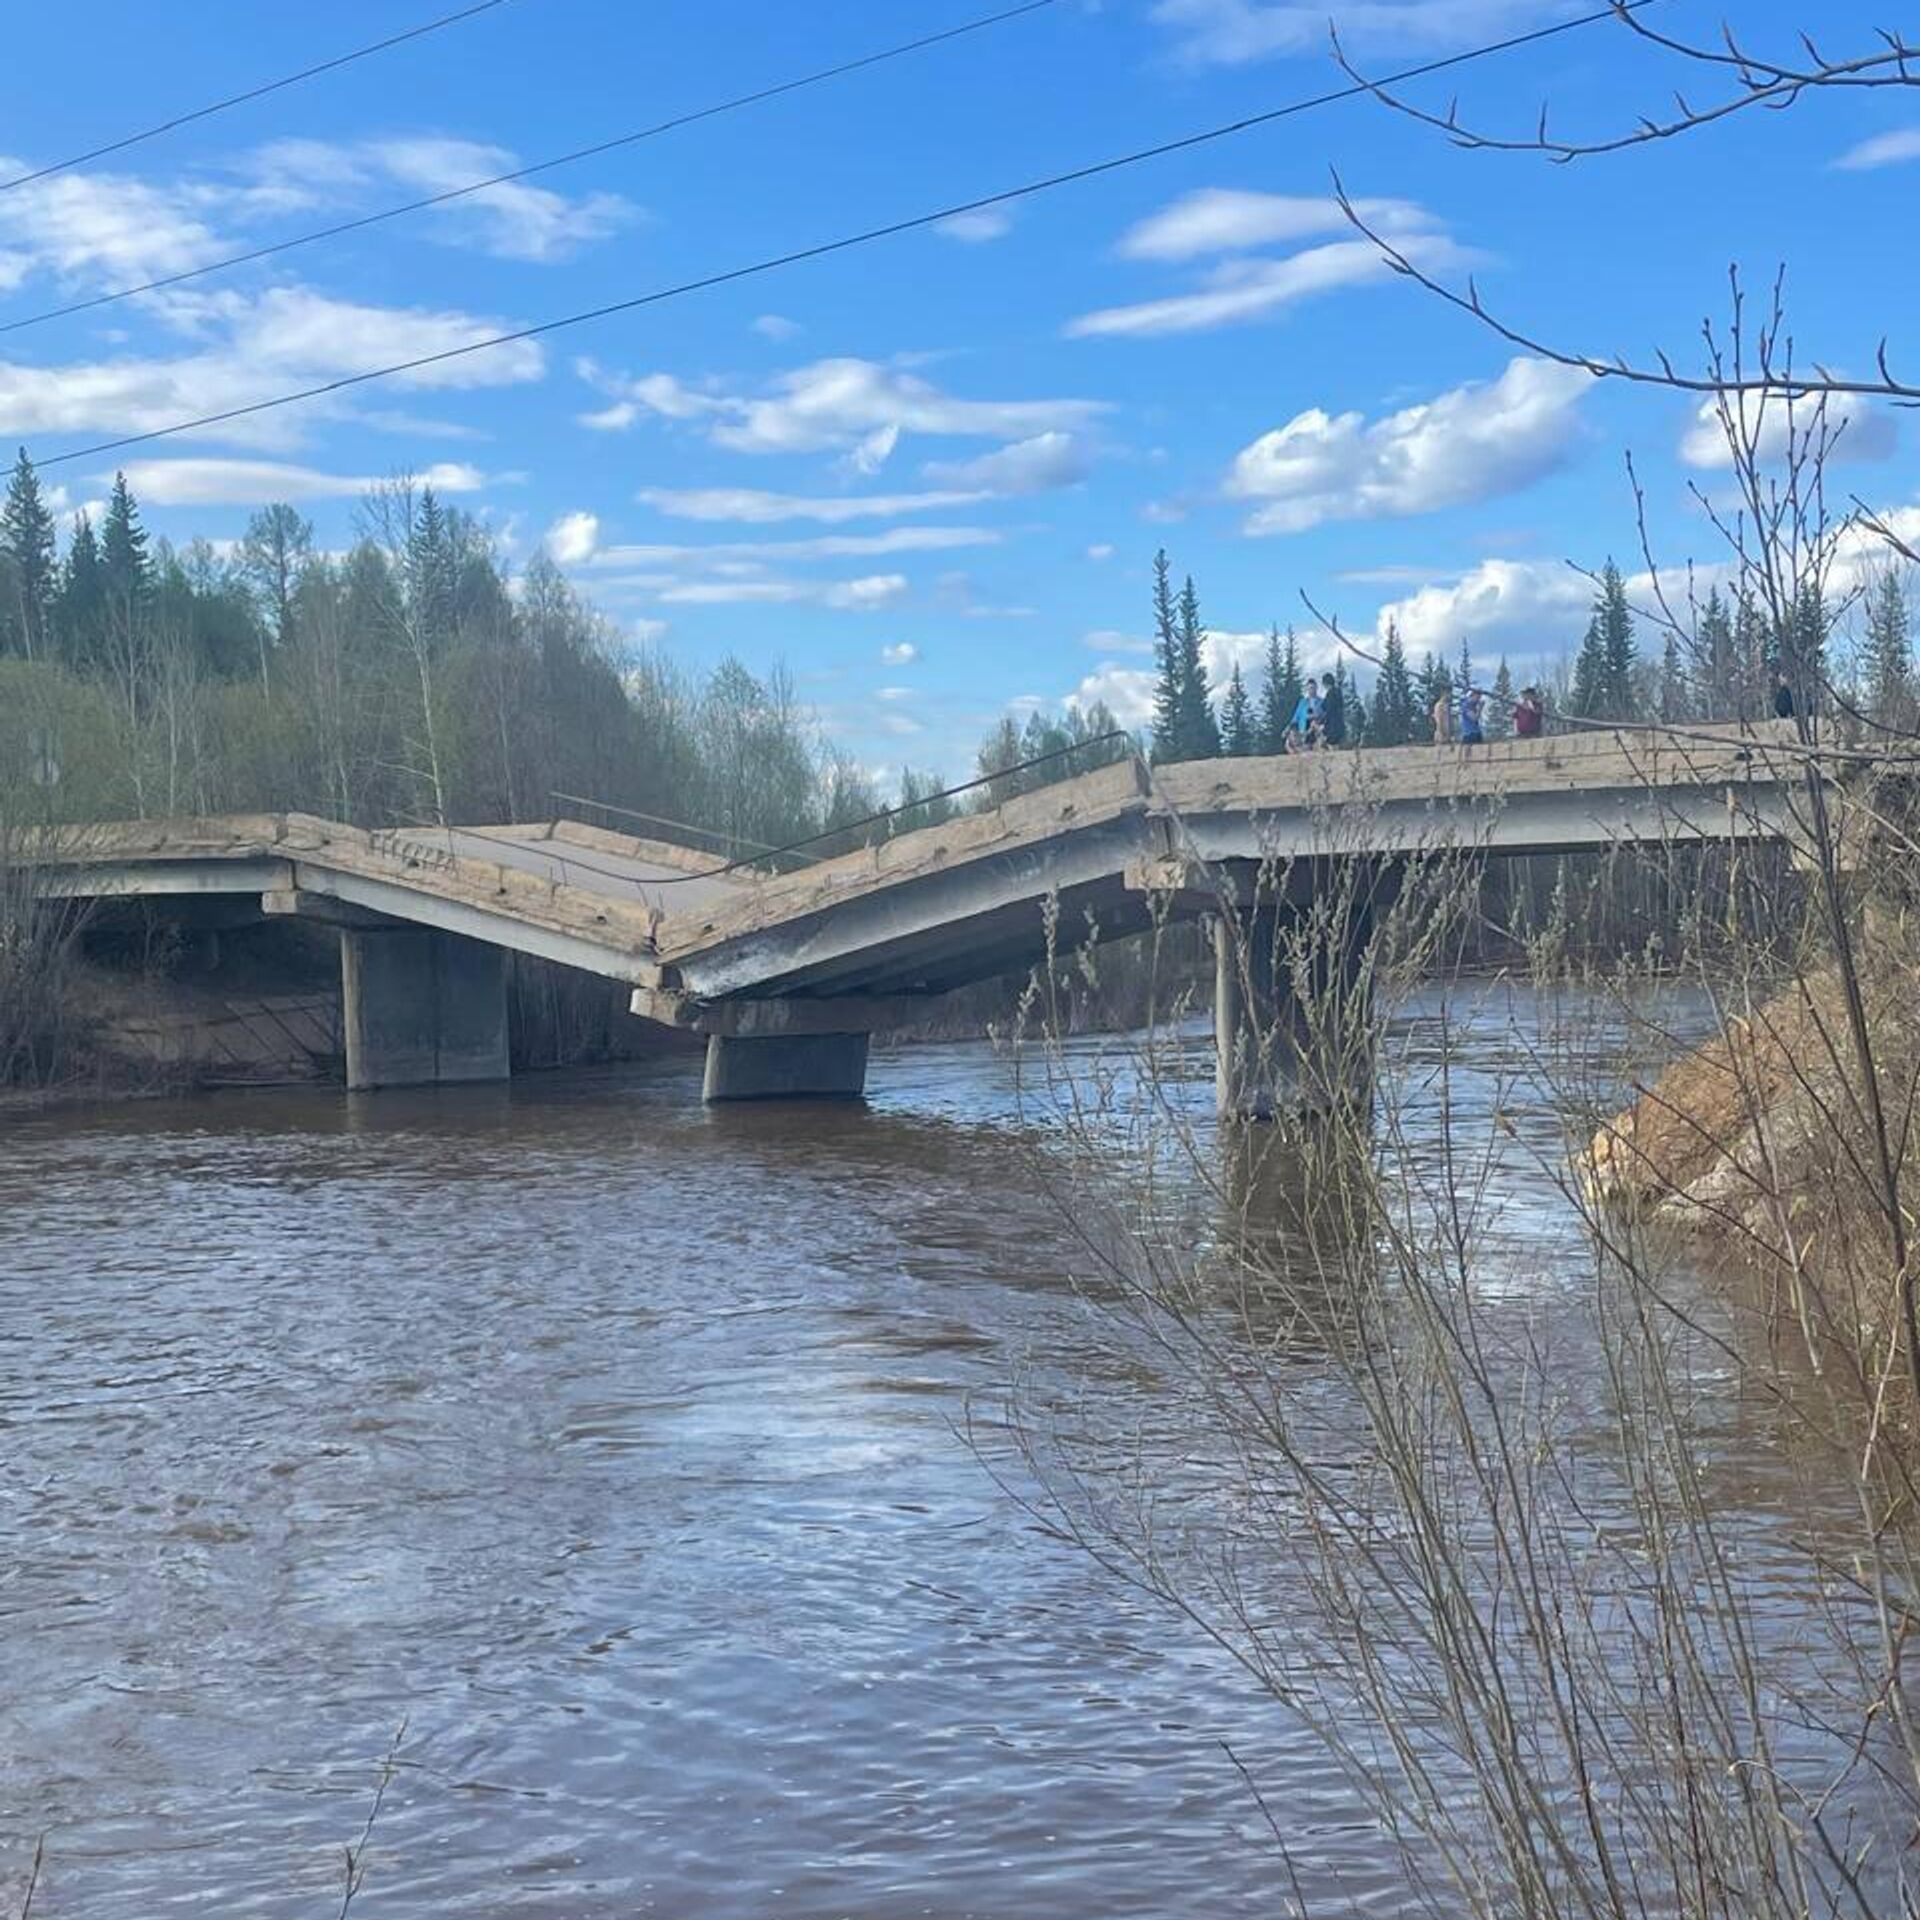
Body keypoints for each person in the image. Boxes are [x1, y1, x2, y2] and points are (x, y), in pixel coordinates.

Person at [1292, 677, 1323, 749]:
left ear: (1317, 688)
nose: (1312, 690)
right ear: (1307, 689)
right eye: (1310, 688)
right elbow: (1296, 717)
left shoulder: (1321, 702)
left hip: (1317, 726)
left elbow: (1324, 714)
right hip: (1304, 728)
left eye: (1313, 688)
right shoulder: (1302, 702)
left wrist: (1316, 716)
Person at [1321, 674, 1346, 747]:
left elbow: (1328, 710)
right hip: (1339, 723)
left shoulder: (1330, 694)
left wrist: (1322, 721)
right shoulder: (1338, 692)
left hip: (1332, 725)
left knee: (1331, 744)